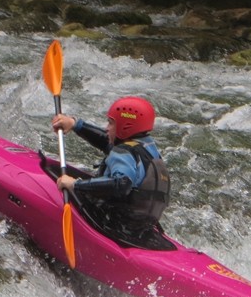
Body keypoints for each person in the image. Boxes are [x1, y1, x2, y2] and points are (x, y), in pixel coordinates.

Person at [51, 96, 171, 248]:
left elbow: (121, 184)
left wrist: (76, 185)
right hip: (140, 229)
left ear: (125, 126)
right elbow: (106, 142)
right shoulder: (148, 149)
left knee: (66, 183)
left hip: (111, 225)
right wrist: (76, 125)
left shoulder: (123, 152)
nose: (107, 128)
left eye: (111, 123)